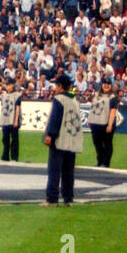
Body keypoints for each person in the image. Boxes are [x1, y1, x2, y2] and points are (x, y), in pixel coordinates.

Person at [42, 73, 83, 206]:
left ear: (60, 86)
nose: (55, 88)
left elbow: (55, 119)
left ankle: (52, 199)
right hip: (72, 140)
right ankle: (68, 198)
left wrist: (50, 135)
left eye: (56, 85)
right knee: (68, 172)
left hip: (60, 140)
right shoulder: (75, 101)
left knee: (54, 170)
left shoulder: (58, 99)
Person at [87, 76, 119, 167]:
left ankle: (106, 163)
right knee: (97, 144)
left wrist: (110, 125)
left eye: (108, 84)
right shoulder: (97, 95)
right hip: (95, 123)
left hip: (106, 124)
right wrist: (90, 119)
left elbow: (113, 111)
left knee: (107, 144)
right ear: (102, 85)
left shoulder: (113, 97)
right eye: (105, 84)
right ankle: (100, 161)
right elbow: (92, 107)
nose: (106, 86)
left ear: (111, 86)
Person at [0, 78, 22, 162]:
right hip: (5, 119)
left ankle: (14, 157)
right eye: (7, 85)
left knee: (14, 139)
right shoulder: (3, 95)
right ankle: (5, 156)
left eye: (9, 85)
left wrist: (16, 120)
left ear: (13, 85)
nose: (7, 87)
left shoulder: (17, 95)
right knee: (5, 139)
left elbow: (17, 108)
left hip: (13, 119)